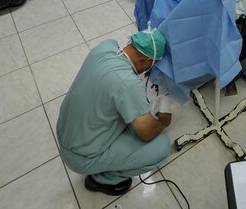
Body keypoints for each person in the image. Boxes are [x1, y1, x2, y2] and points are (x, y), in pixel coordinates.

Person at [57, 29, 171, 196]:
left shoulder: (105, 47)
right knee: (161, 146)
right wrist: (163, 121)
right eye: (152, 65)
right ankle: (103, 179)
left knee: (130, 116)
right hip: (80, 157)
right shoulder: (128, 85)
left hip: (65, 132)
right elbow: (147, 133)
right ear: (147, 61)